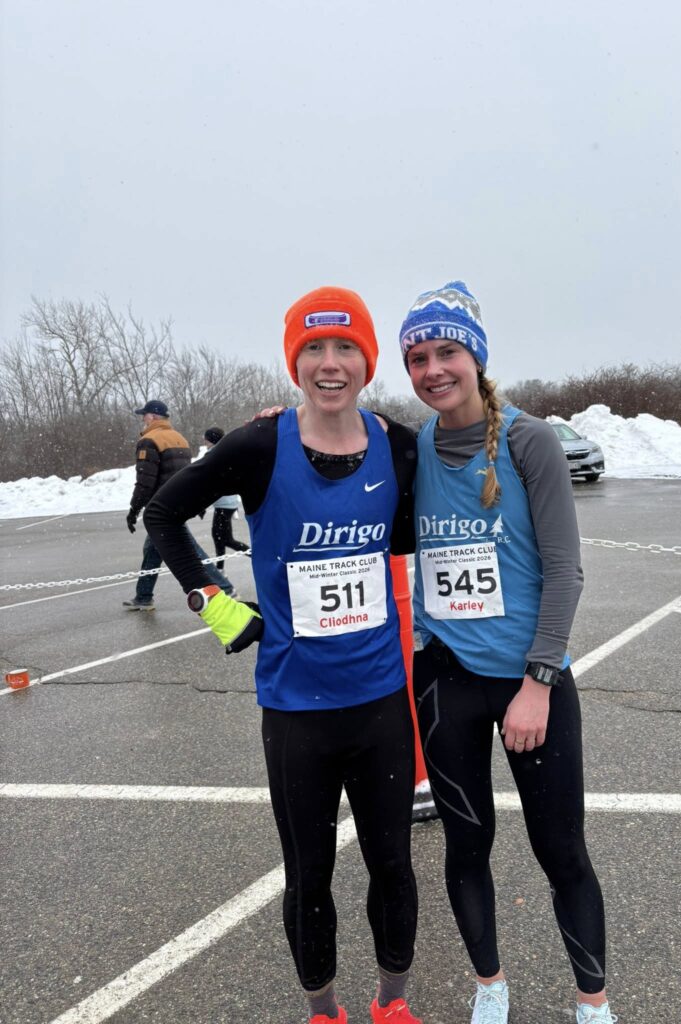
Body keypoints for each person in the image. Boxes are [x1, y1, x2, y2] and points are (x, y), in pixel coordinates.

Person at [144, 288, 422, 1024]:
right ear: (295, 362)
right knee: (310, 876)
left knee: (393, 865)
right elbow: (164, 512)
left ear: (367, 360)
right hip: (297, 709)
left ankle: (392, 1005)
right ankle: (323, 1011)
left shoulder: (397, 443)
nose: (330, 364)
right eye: (313, 350)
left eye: (345, 348)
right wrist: (213, 599)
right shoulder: (261, 444)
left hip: (381, 701)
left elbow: (430, 529)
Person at [399, 282, 616, 1024]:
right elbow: (328, 443)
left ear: (476, 358)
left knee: (562, 851)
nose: (432, 369)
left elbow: (566, 570)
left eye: (446, 352)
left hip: (531, 680)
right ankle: (490, 984)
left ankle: (593, 1003)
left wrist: (539, 681)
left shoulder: (529, 441)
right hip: (446, 681)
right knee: (467, 841)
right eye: (418, 357)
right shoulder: (415, 444)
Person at [123, 400, 236, 610]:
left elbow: (145, 482)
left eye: (144, 415)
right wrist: (197, 502)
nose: (142, 419)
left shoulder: (149, 440)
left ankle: (224, 586)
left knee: (189, 548)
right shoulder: (179, 438)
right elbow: (189, 475)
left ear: (153, 417)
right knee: (153, 548)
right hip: (178, 502)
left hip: (161, 508)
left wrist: (134, 509)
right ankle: (144, 595)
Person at [201, 427, 251, 569]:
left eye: (206, 438)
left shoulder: (212, 454)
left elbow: (206, 482)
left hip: (224, 503)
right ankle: (220, 568)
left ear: (211, 439)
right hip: (228, 502)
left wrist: (200, 504)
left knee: (225, 539)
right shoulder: (227, 451)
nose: (204, 441)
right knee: (219, 537)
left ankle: (256, 554)